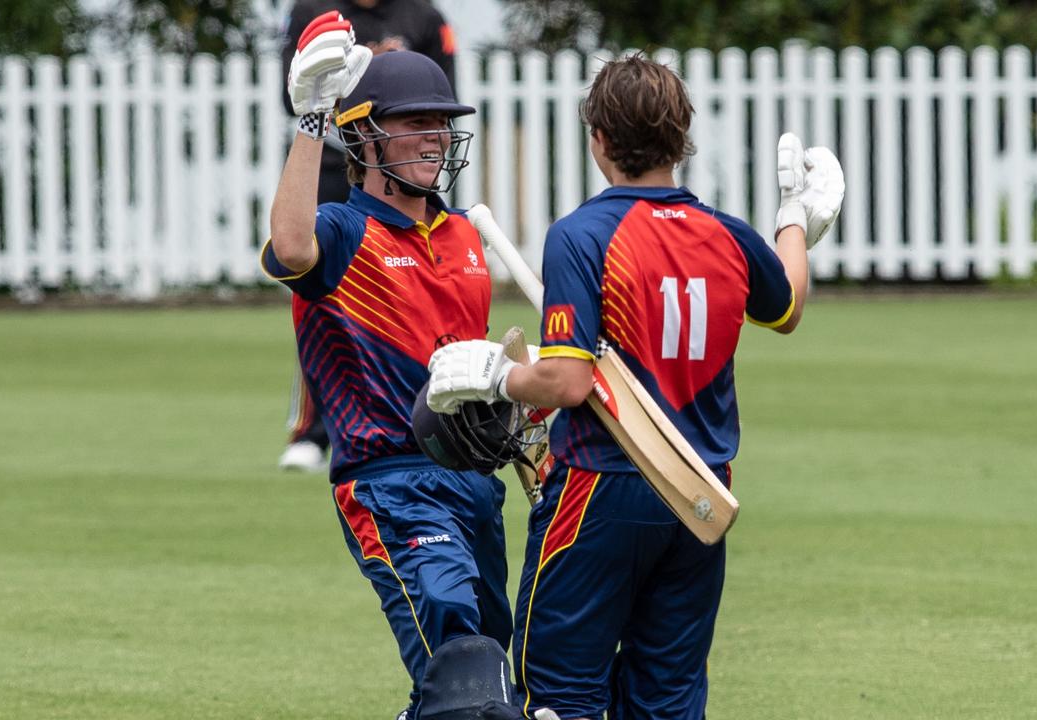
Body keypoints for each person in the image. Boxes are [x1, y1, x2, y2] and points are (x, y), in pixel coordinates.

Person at [425, 55, 844, 718]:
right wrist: (795, 217)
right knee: (667, 700)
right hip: (700, 497)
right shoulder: (728, 235)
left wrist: (499, 375)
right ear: (681, 139)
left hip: (602, 489)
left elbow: (565, 379)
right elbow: (786, 307)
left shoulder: (583, 235)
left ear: (599, 140)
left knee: (561, 697)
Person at [263, 14, 517, 718]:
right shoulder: (342, 231)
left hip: (474, 488)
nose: (436, 136)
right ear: (366, 136)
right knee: (459, 657)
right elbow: (289, 246)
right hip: (391, 485)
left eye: (442, 122)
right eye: (415, 123)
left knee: (487, 677)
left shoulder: (466, 234)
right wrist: (312, 118)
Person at [278, 0, 461, 471]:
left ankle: (436, 417)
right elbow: (292, 92)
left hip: (404, 166)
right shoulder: (313, 10)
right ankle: (313, 431)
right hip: (335, 162)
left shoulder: (424, 17)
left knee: (424, 294)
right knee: (324, 293)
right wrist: (317, 115)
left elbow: (440, 97)